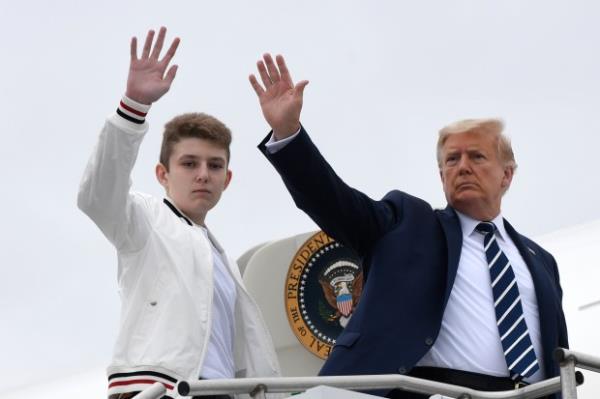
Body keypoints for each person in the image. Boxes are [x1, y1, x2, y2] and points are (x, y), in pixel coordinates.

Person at [249, 54, 568, 399]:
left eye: (476, 157)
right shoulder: (408, 222)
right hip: (432, 391)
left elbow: (558, 352)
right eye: (452, 159)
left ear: (507, 174)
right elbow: (332, 200)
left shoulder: (541, 260)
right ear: (441, 174)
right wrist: (289, 134)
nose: (462, 167)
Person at [78, 28, 280, 399]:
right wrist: (133, 106)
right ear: (162, 174)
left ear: (227, 179)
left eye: (215, 165)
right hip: (158, 389)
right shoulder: (143, 221)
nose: (203, 174)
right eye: (189, 163)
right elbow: (97, 196)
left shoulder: (224, 262)